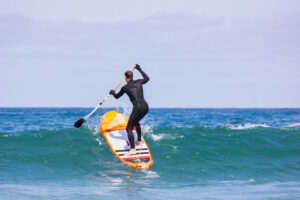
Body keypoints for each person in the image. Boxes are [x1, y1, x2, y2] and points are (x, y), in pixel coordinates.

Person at [109, 64, 150, 156]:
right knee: (136, 122)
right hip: (145, 106)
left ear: (126, 78)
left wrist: (112, 93)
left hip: (137, 108)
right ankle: (139, 141)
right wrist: (139, 69)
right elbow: (147, 78)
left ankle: (132, 149)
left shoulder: (125, 88)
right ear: (132, 76)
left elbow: (117, 97)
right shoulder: (139, 82)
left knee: (128, 128)